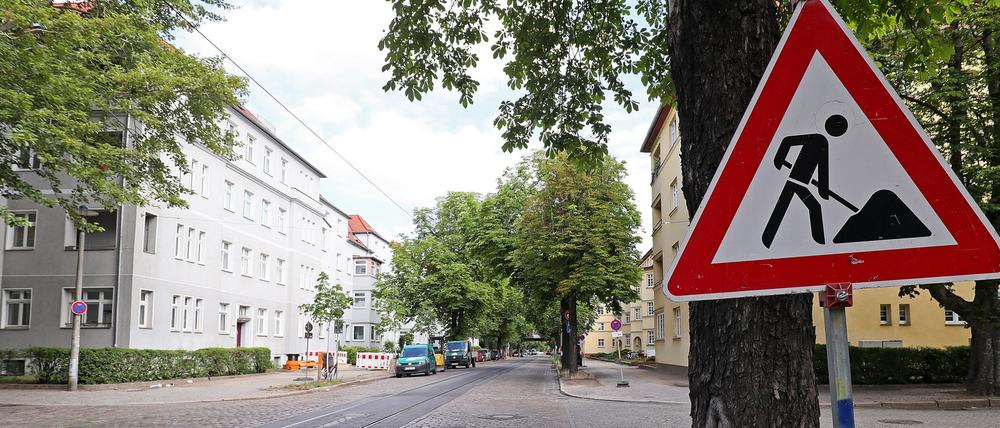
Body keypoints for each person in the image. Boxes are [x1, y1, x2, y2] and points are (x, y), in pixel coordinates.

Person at [761, 114, 848, 248]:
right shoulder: (818, 139)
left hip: (798, 182)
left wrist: (822, 189)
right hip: (796, 181)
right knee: (810, 207)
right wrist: (779, 159)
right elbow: (788, 141)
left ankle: (766, 240)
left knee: (784, 207)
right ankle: (821, 245)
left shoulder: (820, 140)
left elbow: (822, 169)